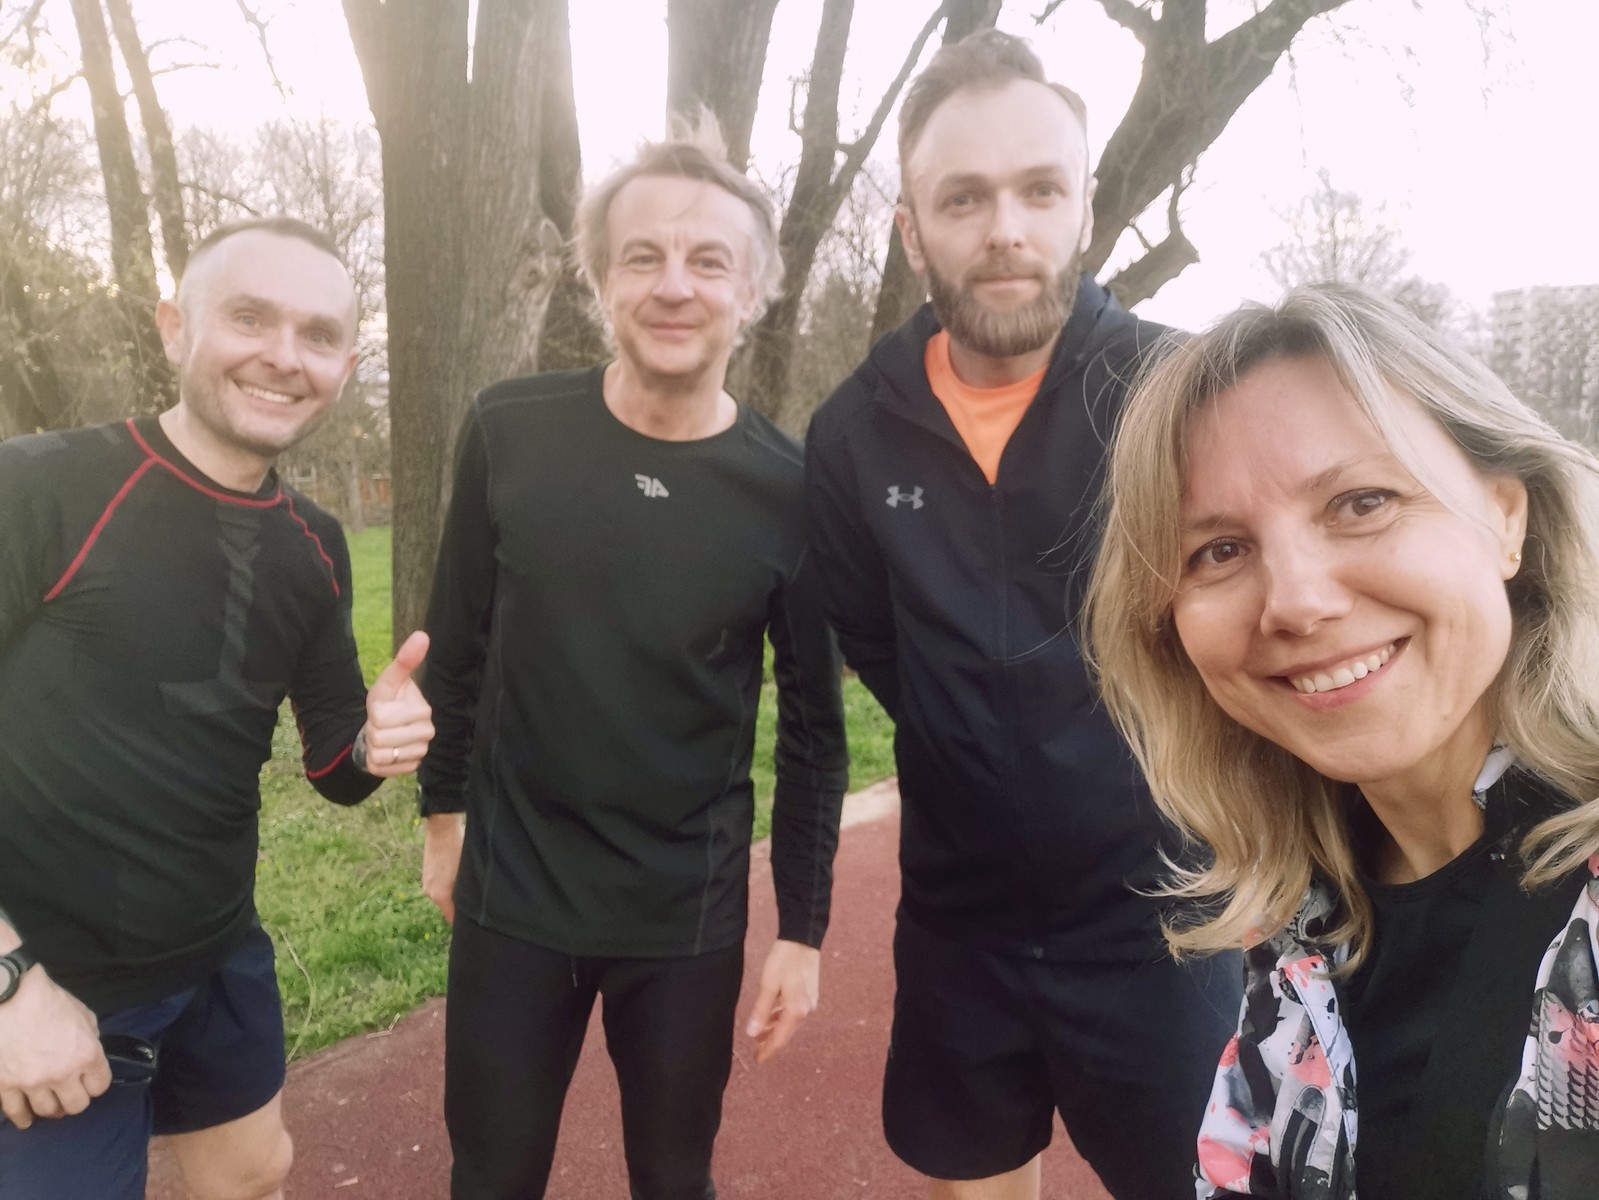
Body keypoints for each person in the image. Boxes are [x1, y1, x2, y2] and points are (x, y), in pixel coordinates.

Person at [804, 29, 1241, 1200]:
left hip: (1162, 924)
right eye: (964, 198)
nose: (1006, 228)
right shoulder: (850, 435)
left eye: (1040, 190)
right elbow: (876, 641)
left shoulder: (1182, 394)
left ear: (1084, 209)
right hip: (960, 929)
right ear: (912, 230)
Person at [1085, 282, 1599, 1198]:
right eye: (1218, 550)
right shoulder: (1299, 924)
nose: (1295, 601)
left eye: (1361, 502)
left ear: (1504, 517)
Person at [418, 117, 849, 1200]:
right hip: (515, 894)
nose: (674, 286)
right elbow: (454, 648)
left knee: (673, 1178)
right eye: (643, 256)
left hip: (682, 914)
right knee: (491, 1178)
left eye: (709, 261)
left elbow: (813, 732)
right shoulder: (508, 431)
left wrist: (801, 932)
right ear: (600, 280)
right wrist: (441, 821)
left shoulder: (793, 493)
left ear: (754, 291)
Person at [0, 216, 434, 1200]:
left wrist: (378, 744)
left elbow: (332, 767)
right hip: (45, 974)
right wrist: (11, 986)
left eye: (318, 334)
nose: (284, 356)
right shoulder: (39, 486)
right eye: (249, 318)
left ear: (345, 365)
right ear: (174, 327)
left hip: (216, 955)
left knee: (255, 1174)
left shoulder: (313, 543)